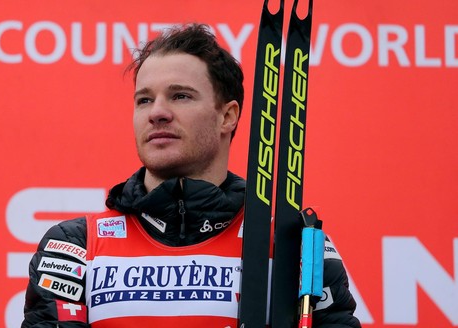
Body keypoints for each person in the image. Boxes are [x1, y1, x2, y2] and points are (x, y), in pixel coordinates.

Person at [22, 23, 361, 328]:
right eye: (144, 100)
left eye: (180, 96)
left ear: (227, 116)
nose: (157, 113)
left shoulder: (290, 245)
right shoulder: (75, 246)